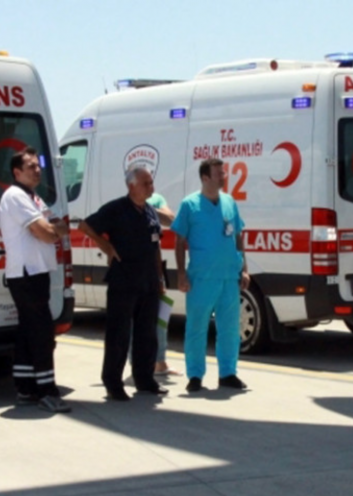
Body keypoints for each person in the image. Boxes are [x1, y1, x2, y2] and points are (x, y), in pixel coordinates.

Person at [79, 166, 168, 401]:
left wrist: (160, 278)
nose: (151, 187)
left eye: (151, 182)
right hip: (124, 281)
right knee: (119, 335)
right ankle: (113, 383)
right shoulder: (116, 209)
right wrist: (106, 245)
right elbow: (85, 226)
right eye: (146, 183)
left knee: (147, 334)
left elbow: (156, 246)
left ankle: (145, 379)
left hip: (148, 282)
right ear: (131, 186)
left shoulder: (150, 211)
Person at [0, 146, 71, 413]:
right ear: (17, 172)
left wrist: (54, 228)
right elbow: (48, 233)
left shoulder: (33, 197)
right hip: (26, 273)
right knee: (41, 333)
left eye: (38, 166)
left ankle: (26, 387)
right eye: (31, 167)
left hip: (36, 272)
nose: (38, 170)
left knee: (29, 330)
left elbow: (59, 225)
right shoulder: (16, 196)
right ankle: (46, 391)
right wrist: (53, 229)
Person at [171, 158, 250, 393]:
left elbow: (238, 237)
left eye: (223, 173)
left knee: (230, 329)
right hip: (201, 278)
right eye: (219, 174)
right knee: (197, 328)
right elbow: (179, 241)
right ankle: (195, 375)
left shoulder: (229, 202)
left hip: (228, 277)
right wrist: (181, 274)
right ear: (205, 177)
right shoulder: (190, 205)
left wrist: (244, 269)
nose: (224, 177)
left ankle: (228, 373)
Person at [145, 191, 181, 377]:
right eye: (146, 183)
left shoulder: (157, 199)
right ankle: (140, 365)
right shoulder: (125, 204)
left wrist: (150, 209)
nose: (150, 186)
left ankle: (160, 362)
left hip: (155, 266)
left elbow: (171, 219)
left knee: (160, 319)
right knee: (137, 322)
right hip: (135, 270)